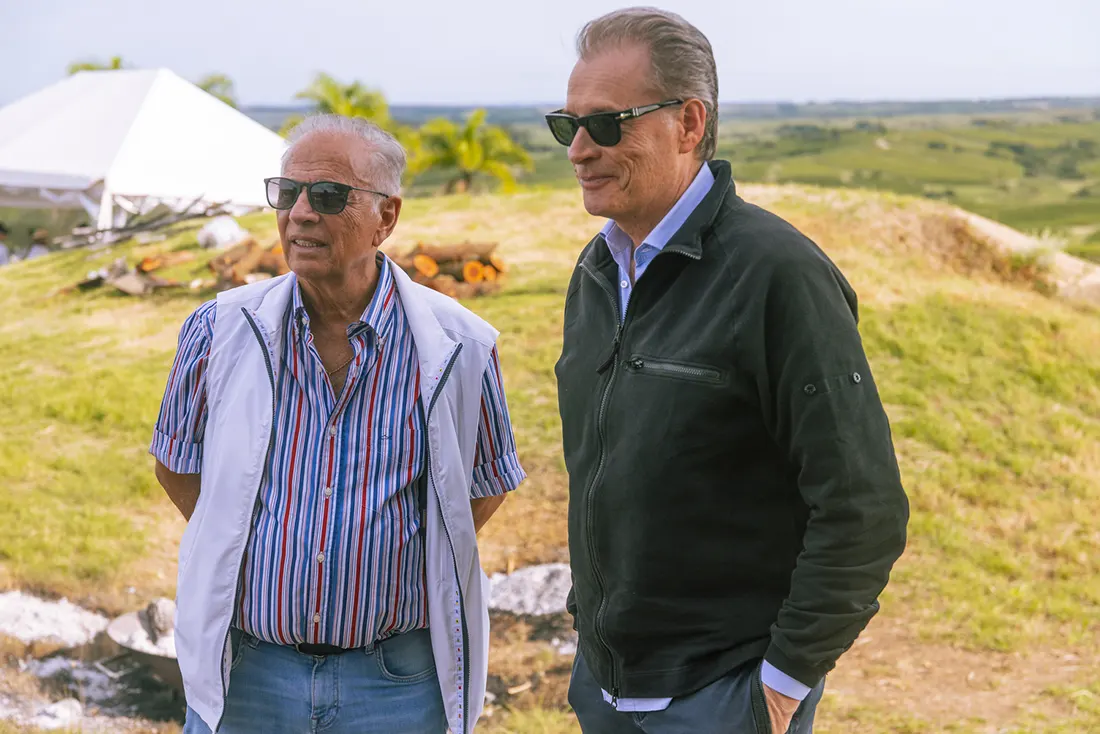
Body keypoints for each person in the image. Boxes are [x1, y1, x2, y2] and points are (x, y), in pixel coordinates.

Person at [549, 8, 909, 733]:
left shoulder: (778, 274)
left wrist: (778, 689)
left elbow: (862, 508)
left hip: (723, 697)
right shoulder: (597, 272)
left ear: (688, 123)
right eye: (568, 125)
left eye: (607, 124)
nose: (580, 150)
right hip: (606, 691)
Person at [150, 114, 526, 734]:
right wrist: (250, 536)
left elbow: (483, 487)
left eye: (327, 196)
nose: (300, 213)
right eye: (287, 192)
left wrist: (393, 556)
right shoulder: (217, 330)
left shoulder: (461, 344)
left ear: (386, 217)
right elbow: (176, 465)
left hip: (397, 682)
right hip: (248, 673)